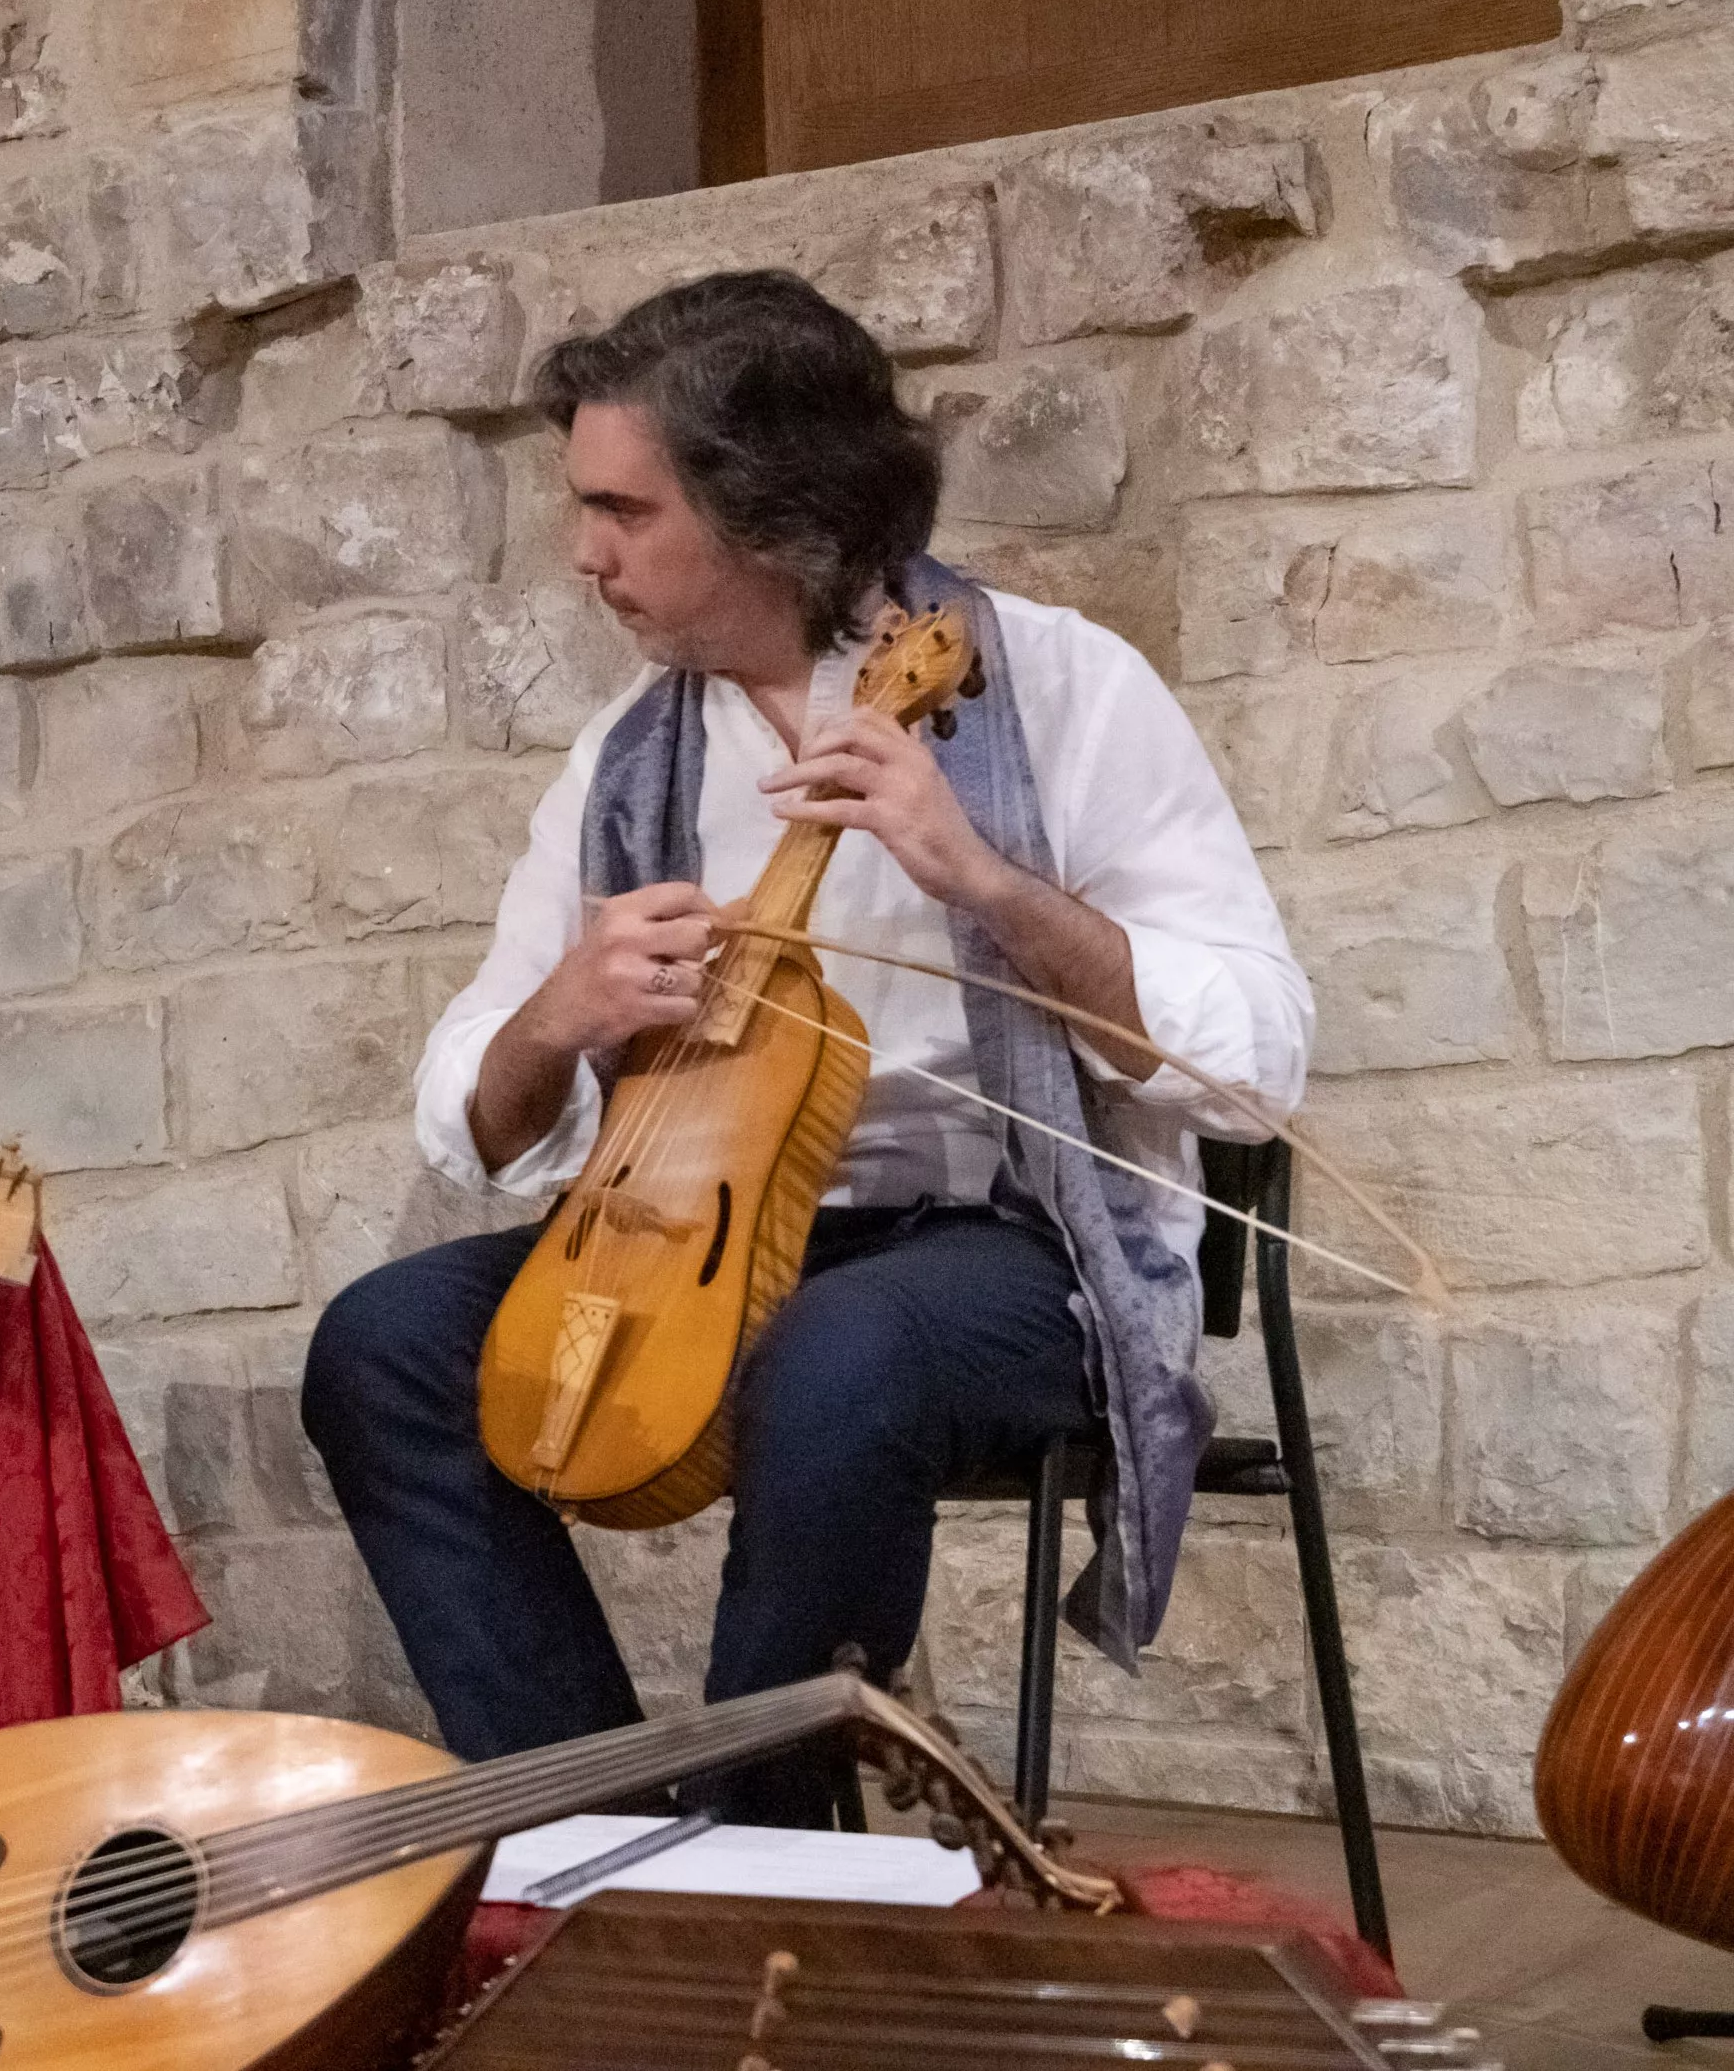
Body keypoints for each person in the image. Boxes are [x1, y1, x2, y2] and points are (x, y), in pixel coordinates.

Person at [299, 271, 1310, 1825]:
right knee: (386, 1347)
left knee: (841, 1355)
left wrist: (986, 881)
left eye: (624, 510)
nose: (584, 553)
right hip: (699, 1240)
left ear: (773, 512)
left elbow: (1258, 1057)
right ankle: (599, 1832)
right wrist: (561, 1014)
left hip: (1015, 1252)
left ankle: (763, 1847)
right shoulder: (627, 757)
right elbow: (478, 1114)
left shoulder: (1063, 688)